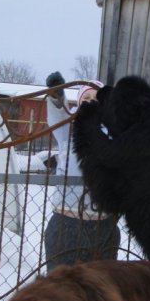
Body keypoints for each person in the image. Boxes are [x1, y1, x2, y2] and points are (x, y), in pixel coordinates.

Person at [43, 71, 120, 271]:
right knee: (60, 289)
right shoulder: (68, 131)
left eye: (96, 98)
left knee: (100, 289)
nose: (90, 102)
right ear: (77, 105)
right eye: (85, 98)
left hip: (103, 227)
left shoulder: (114, 135)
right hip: (65, 223)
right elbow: (57, 114)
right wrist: (57, 96)